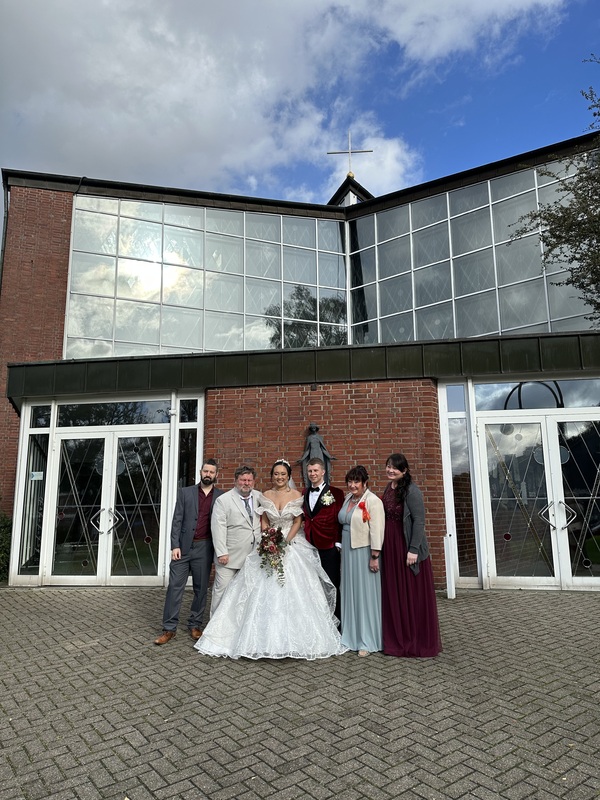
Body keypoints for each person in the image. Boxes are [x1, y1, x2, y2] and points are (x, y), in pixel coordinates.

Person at [195, 459, 347, 659]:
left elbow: (297, 521)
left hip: (292, 545)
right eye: (276, 474)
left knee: (297, 592)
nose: (279, 477)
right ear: (271, 476)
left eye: (283, 474)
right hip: (269, 544)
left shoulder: (297, 495)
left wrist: (284, 542)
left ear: (288, 476)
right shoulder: (264, 495)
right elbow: (264, 519)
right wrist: (269, 539)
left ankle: (296, 640)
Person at [154, 460, 223, 645]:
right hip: (183, 548)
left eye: (212, 472)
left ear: (216, 475)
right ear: (200, 472)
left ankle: (195, 625)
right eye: (206, 471)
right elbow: (177, 520)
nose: (208, 474)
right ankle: (169, 628)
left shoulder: (221, 497)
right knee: (174, 587)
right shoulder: (185, 493)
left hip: (205, 548)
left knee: (201, 589)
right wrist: (174, 545)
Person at [380, 453, 442, 658]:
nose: (390, 470)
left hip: (405, 545)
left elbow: (419, 521)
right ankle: (396, 637)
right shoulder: (389, 488)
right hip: (390, 546)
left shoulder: (412, 491)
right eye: (388, 466)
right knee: (395, 592)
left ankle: (414, 640)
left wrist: (413, 549)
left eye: (395, 468)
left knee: (410, 594)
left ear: (404, 470)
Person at [338, 465, 385, 657]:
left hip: (364, 553)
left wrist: (374, 556)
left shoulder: (373, 501)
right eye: (350, 481)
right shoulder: (348, 498)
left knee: (365, 596)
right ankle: (350, 637)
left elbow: (377, 530)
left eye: (356, 481)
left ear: (365, 483)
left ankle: (367, 640)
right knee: (349, 593)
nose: (352, 485)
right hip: (348, 552)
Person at [210, 465, 261, 615]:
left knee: (246, 594)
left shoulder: (260, 497)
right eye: (243, 480)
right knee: (222, 592)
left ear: (253, 481)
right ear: (236, 480)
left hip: (253, 556)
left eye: (249, 480)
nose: (246, 483)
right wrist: (221, 553)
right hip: (229, 557)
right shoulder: (223, 500)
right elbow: (218, 528)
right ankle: (215, 625)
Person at [302, 457, 345, 620]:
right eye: (310, 471)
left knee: (331, 584)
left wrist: (338, 543)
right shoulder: (304, 493)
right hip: (309, 545)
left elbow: (339, 519)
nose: (312, 474)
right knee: (313, 585)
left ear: (323, 472)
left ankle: (337, 623)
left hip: (329, 546)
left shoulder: (336, 493)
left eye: (315, 470)